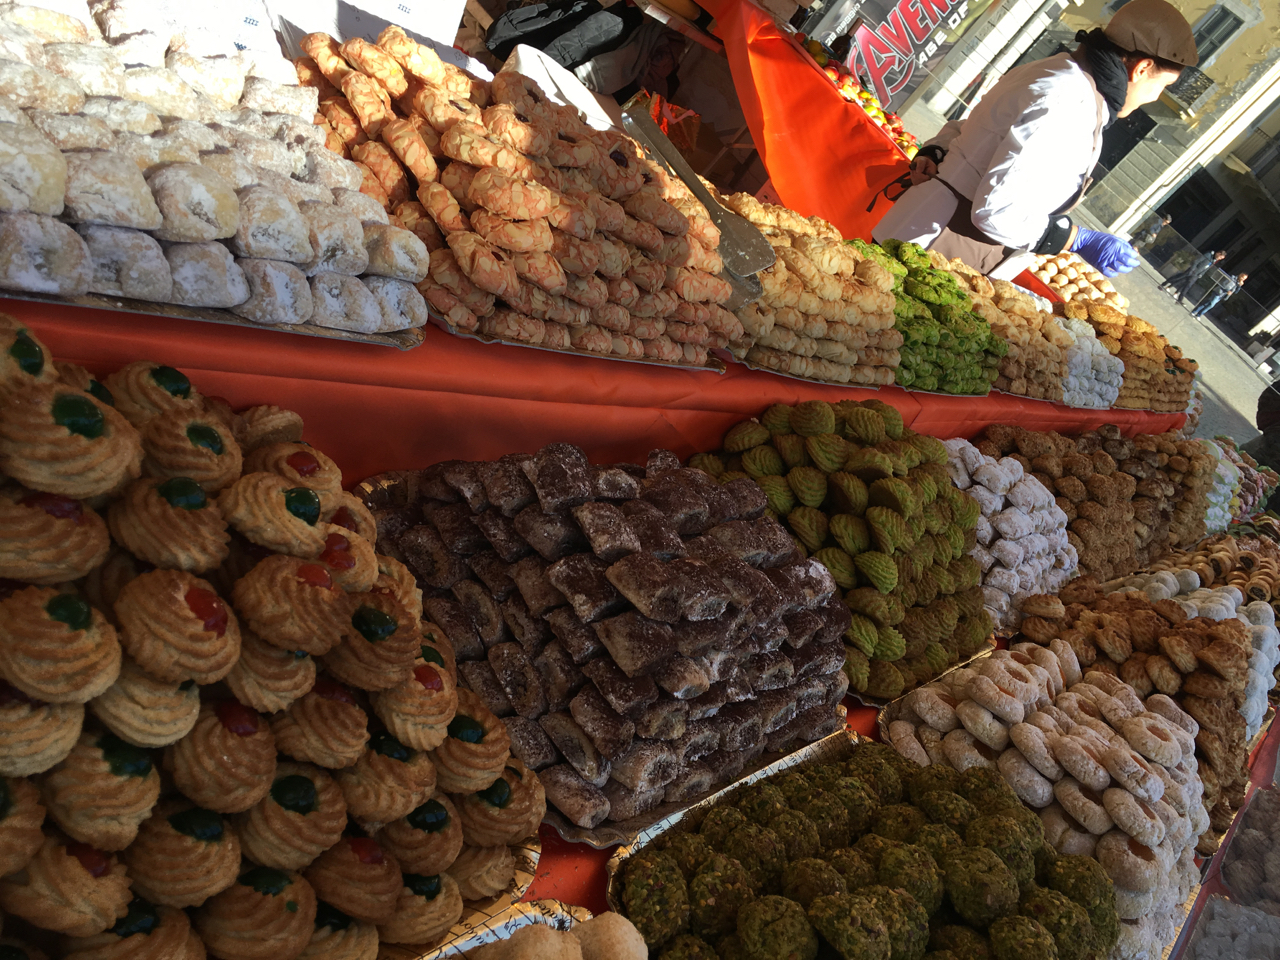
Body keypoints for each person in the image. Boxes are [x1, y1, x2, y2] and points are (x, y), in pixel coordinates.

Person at [872, 0, 1196, 280]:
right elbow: (996, 209)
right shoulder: (1071, 100)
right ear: (1142, 68)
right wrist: (1072, 238)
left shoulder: (1058, 70)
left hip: (924, 237)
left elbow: (972, 129)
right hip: (935, 251)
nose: (1155, 97)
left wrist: (935, 151)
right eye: (1162, 86)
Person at [1159, 249, 1225, 305]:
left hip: (1196, 275)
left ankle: (1180, 299)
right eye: (1220, 257)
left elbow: (1206, 268)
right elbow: (1197, 261)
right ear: (1218, 253)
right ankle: (1163, 284)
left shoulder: (1213, 260)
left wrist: (1201, 274)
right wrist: (1192, 269)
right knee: (1179, 277)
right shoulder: (1208, 255)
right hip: (1192, 271)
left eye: (1221, 258)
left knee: (1187, 286)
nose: (1219, 259)